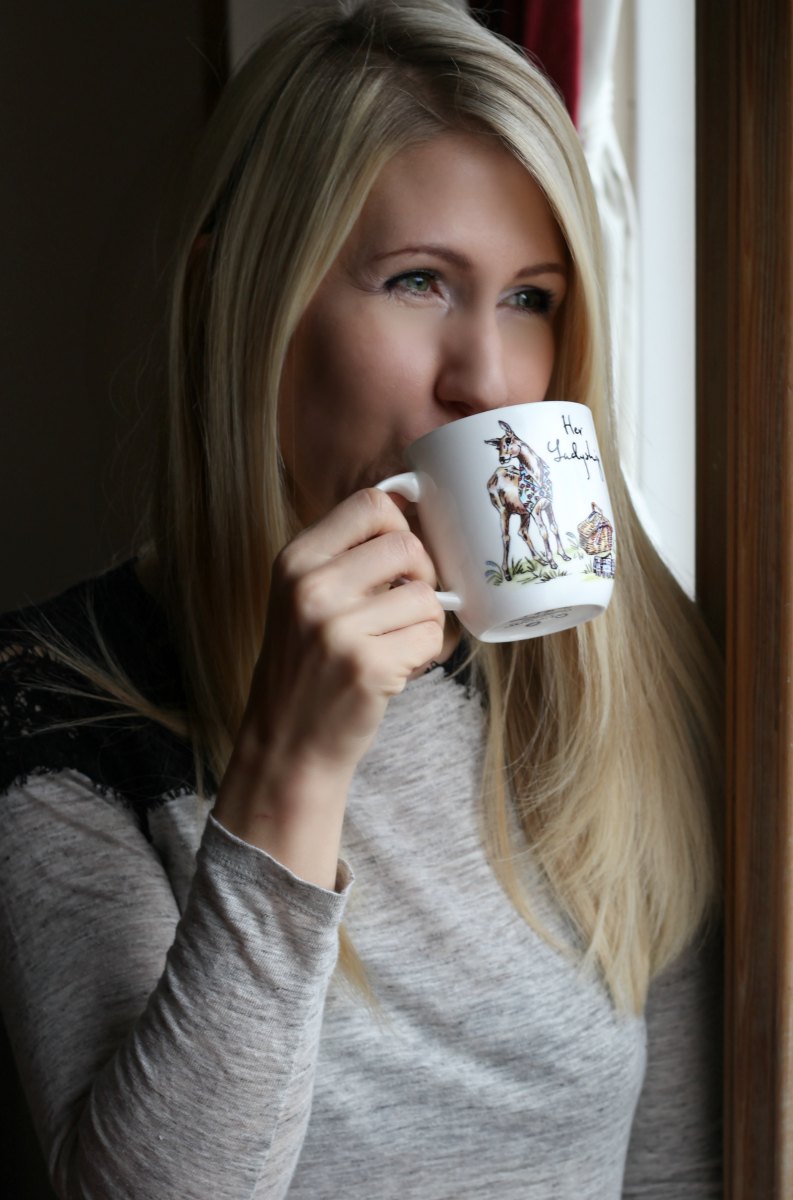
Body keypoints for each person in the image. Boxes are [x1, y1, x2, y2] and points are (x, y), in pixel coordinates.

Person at [0, 1, 722, 1196]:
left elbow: (682, 1161)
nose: (485, 376)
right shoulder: (62, 710)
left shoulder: (612, 665)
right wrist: (290, 772)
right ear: (241, 289)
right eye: (418, 280)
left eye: (531, 298)